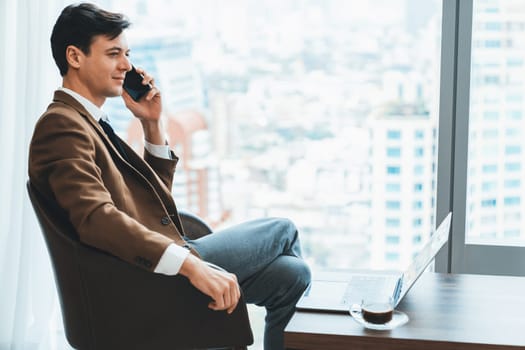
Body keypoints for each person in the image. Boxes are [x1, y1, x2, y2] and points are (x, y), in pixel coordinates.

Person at [28, 3, 310, 349]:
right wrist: (190, 266)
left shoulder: (88, 123)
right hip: (134, 285)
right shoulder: (62, 126)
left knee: (292, 276)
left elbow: (149, 207)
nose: (127, 66)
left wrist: (151, 124)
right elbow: (95, 218)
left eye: (127, 53)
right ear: (74, 56)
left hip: (142, 270)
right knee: (282, 230)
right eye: (114, 53)